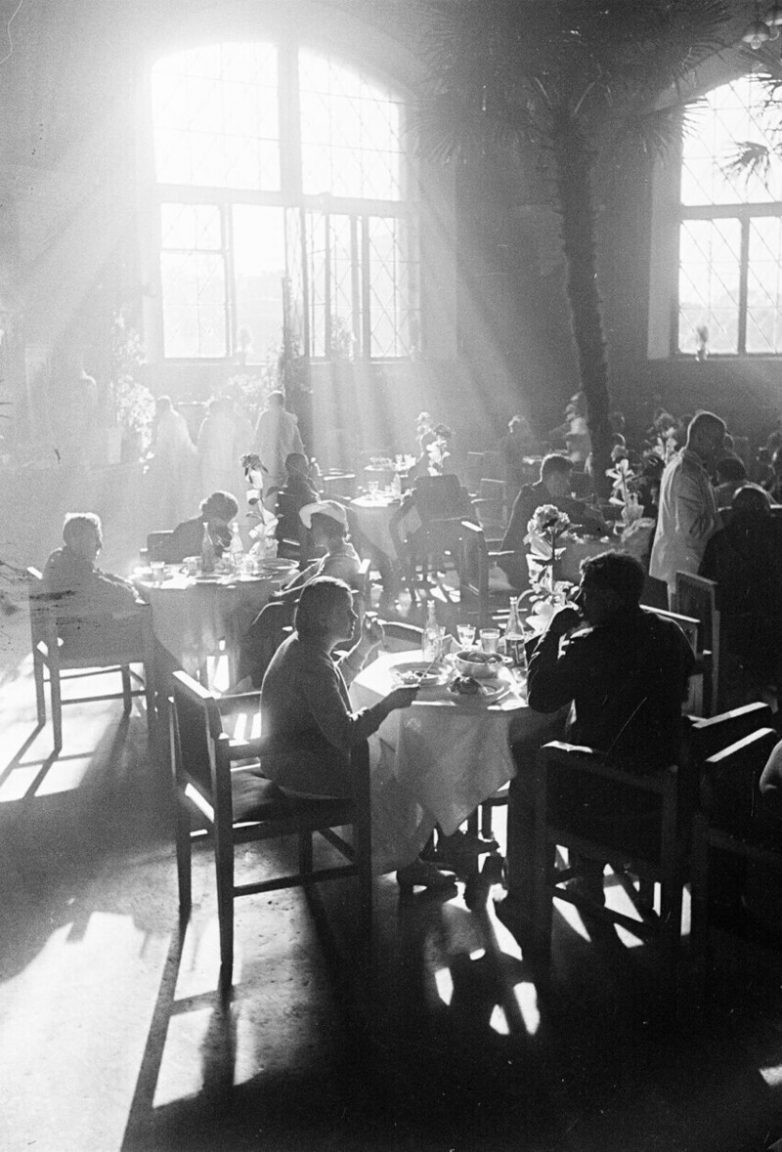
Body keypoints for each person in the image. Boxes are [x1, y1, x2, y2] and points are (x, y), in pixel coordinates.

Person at [496, 551, 695, 932]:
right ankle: (588, 880)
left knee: (526, 779)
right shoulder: (669, 632)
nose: (579, 599)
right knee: (584, 747)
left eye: (587, 592)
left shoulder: (589, 644)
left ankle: (522, 899)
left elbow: (540, 698)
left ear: (612, 598)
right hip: (660, 786)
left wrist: (553, 633)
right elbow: (684, 683)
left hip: (607, 794)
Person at [260, 576, 454, 891]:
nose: (355, 618)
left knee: (400, 753)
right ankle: (413, 857)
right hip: (300, 770)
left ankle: (416, 854)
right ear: (323, 619)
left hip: (292, 757)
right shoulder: (312, 662)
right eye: (346, 612)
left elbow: (331, 686)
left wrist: (364, 647)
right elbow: (345, 734)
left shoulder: (303, 645)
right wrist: (388, 704)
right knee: (409, 764)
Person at [700, 483, 782, 689]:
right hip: (770, 625)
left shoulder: (719, 540)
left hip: (729, 627)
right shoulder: (775, 538)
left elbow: (704, 581)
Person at [498, 453, 607, 591]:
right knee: (579, 577)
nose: (568, 485)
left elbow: (561, 503)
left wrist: (585, 510)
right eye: (567, 478)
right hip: (519, 565)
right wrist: (599, 526)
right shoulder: (534, 498)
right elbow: (566, 518)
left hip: (524, 560)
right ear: (555, 477)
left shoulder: (534, 491)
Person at [649, 410, 726, 598]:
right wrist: (723, 517)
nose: (719, 448)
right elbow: (691, 530)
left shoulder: (683, 466)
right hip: (684, 570)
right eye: (716, 441)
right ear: (699, 437)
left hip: (680, 567)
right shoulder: (686, 473)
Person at [42, 513, 146, 652]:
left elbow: (99, 575)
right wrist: (130, 590)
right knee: (149, 624)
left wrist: (125, 582)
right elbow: (118, 594)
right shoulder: (74, 568)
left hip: (71, 631)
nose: (99, 545)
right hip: (83, 640)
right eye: (94, 538)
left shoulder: (63, 557)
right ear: (75, 539)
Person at [145, 395, 198, 528]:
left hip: (176, 462)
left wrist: (172, 468)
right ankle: (178, 521)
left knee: (175, 495)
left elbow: (170, 446)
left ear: (160, 408)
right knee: (181, 495)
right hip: (184, 459)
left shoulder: (167, 421)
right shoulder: (177, 417)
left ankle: (174, 523)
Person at [255, 391, 305, 507]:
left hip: (269, 462)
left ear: (270, 403)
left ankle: (268, 512)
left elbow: (258, 438)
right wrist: (301, 462)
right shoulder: (290, 420)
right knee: (285, 492)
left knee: (269, 493)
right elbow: (297, 444)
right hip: (286, 462)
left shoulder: (265, 417)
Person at [197, 397, 253, 501]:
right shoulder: (230, 424)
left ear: (211, 410)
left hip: (210, 464)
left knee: (209, 493)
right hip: (226, 465)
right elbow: (235, 445)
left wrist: (198, 459)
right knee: (224, 493)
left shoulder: (208, 423)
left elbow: (202, 442)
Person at [163, 490, 239, 564]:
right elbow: (169, 557)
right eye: (225, 520)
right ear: (212, 514)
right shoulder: (187, 529)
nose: (226, 524)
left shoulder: (223, 532)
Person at [273, 452, 319, 553]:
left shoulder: (286, 486)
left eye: (307, 466)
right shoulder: (301, 487)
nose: (308, 469)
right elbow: (317, 507)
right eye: (304, 466)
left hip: (292, 531)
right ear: (293, 469)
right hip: (310, 531)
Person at [499, 414, 534, 496]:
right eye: (525, 431)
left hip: (513, 475)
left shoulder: (512, 440)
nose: (526, 434)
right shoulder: (510, 443)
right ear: (519, 430)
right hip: (511, 479)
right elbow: (514, 462)